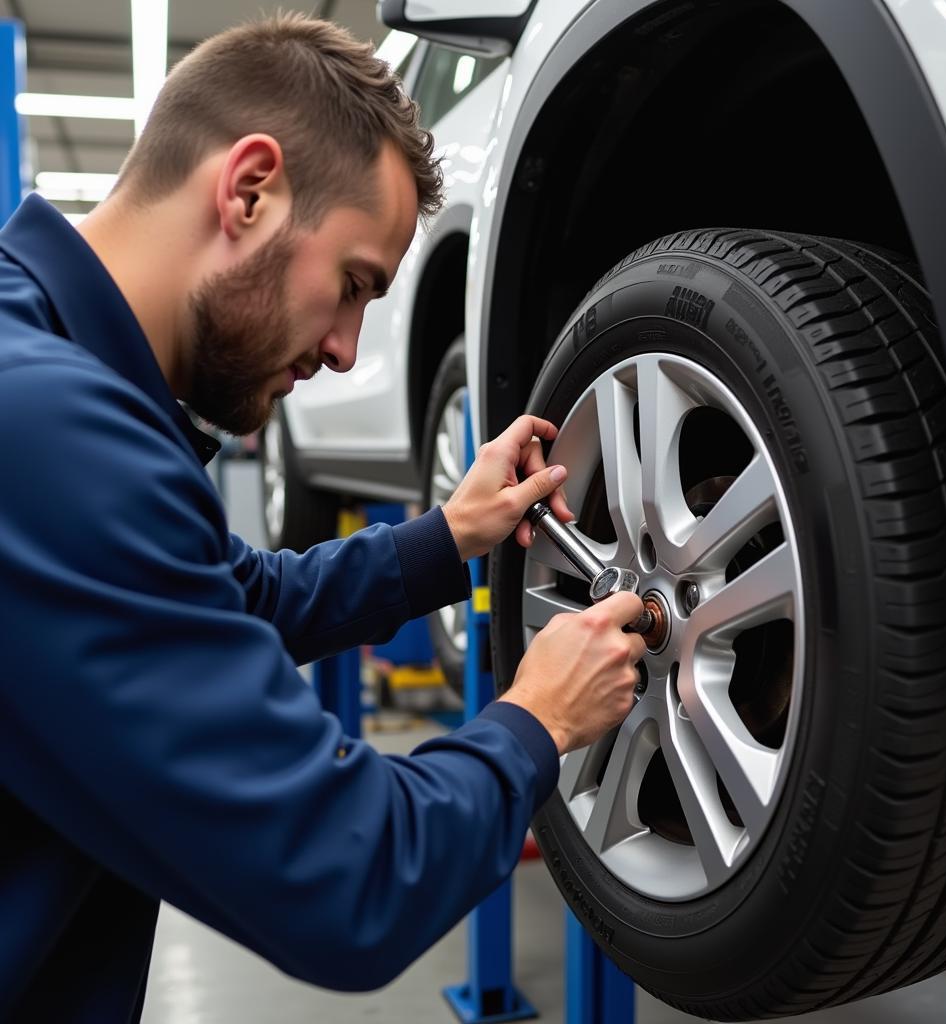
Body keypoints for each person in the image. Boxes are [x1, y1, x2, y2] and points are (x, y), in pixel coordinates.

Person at [0, 12, 646, 1021]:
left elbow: (224, 595)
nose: (346, 349)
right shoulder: (46, 431)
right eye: (352, 286)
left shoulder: (47, 371)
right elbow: (349, 881)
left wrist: (447, 538)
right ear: (248, 189)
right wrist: (536, 720)